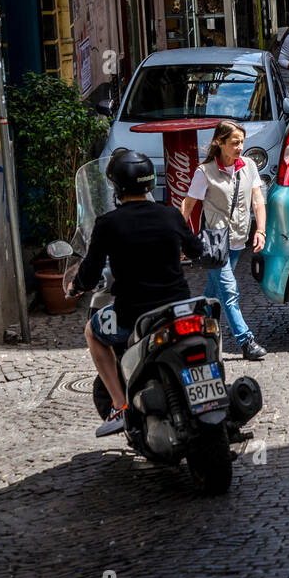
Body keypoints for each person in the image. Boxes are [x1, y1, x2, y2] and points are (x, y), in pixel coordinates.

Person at [71, 149, 204, 435]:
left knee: (92, 333)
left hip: (133, 316)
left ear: (116, 187)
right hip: (177, 310)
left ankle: (121, 406)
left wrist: (75, 285)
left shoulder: (107, 224)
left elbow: (91, 272)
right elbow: (196, 249)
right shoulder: (170, 214)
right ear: (150, 183)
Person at [181, 121, 268, 363]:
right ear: (219, 143)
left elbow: (258, 200)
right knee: (229, 291)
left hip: (239, 239)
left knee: (213, 292)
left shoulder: (248, 166)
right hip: (215, 242)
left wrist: (260, 230)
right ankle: (246, 341)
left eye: (242, 142)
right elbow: (188, 205)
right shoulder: (205, 171)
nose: (240, 147)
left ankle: (194, 334)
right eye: (234, 143)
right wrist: (180, 237)